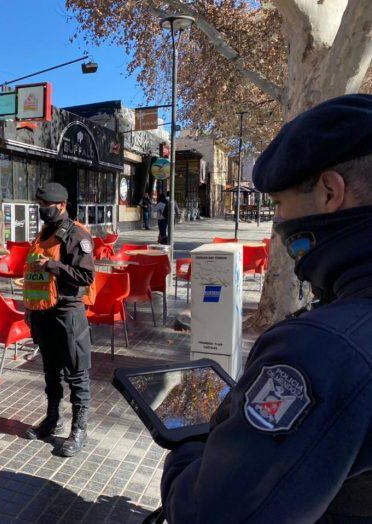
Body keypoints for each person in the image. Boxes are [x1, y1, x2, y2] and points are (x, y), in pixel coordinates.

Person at [159, 94, 372, 522]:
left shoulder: (319, 351)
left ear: (330, 192)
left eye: (277, 204)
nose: (277, 228)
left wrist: (190, 446)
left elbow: (209, 513)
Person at [22, 182, 95, 457]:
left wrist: (52, 266)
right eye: (39, 206)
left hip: (68, 313)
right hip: (43, 313)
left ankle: (79, 429)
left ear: (61, 205)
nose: (41, 210)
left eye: (45, 206)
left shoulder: (77, 235)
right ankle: (53, 419)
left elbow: (86, 276)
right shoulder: (44, 233)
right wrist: (30, 309)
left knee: (76, 373)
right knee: (51, 372)